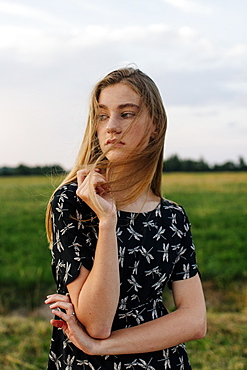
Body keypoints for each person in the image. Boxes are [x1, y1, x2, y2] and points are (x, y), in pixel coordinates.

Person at [45, 67, 207, 369]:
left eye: (126, 114)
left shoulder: (172, 216)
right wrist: (107, 221)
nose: (111, 127)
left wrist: (98, 346)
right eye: (103, 115)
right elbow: (96, 322)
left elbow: (195, 320)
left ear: (155, 125)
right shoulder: (72, 203)